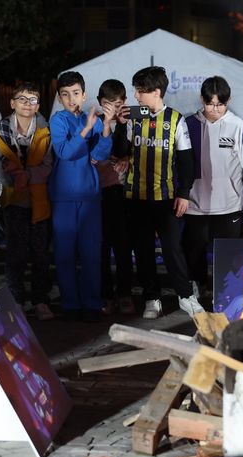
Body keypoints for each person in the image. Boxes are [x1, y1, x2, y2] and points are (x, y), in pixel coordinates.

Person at [117, 66, 204, 319]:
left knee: (172, 249)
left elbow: (187, 160)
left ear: (156, 92)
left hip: (165, 198)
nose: (136, 96)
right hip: (136, 197)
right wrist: (121, 127)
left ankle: (186, 296)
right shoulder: (133, 115)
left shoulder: (175, 119)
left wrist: (184, 193)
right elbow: (121, 151)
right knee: (143, 251)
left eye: (140, 91)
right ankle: (152, 298)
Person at [48, 71, 114, 322]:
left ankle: (91, 303)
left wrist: (105, 127)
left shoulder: (94, 119)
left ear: (84, 94)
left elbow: (100, 154)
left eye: (76, 93)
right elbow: (64, 151)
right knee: (64, 254)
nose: (71, 98)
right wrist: (86, 129)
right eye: (65, 94)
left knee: (90, 253)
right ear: (60, 97)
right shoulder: (58, 120)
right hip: (64, 195)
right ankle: (70, 304)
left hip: (89, 195)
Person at [0, 82, 54, 320]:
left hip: (39, 200)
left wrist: (27, 176)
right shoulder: (1, 129)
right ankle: (16, 300)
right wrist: (10, 181)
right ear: (13, 103)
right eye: (23, 99)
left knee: (40, 254)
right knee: (15, 254)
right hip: (13, 200)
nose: (28, 104)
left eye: (33, 100)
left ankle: (41, 300)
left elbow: (48, 164)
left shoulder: (45, 130)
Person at [184, 76, 243, 300]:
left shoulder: (236, 124)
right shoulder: (188, 124)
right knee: (194, 250)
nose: (215, 109)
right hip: (195, 202)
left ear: (228, 100)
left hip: (229, 202)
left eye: (220, 104)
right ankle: (197, 286)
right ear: (202, 100)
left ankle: (224, 292)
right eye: (210, 104)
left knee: (227, 253)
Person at [94, 79, 135, 315]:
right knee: (101, 246)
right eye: (109, 104)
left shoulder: (129, 123)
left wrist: (127, 158)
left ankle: (125, 293)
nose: (114, 108)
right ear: (101, 103)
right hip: (98, 192)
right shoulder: (96, 123)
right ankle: (106, 294)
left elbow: (124, 152)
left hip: (121, 192)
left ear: (124, 102)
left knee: (122, 246)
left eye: (118, 103)